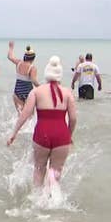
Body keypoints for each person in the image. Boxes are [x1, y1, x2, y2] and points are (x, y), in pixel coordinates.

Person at [7, 56, 77, 188]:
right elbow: (73, 119)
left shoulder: (36, 92)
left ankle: (37, 199)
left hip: (42, 135)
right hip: (61, 136)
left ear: (47, 74)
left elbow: (25, 114)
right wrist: (69, 135)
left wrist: (14, 133)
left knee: (39, 170)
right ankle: (53, 197)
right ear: (59, 75)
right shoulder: (68, 93)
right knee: (55, 173)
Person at [7, 41, 39, 112]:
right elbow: (34, 81)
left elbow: (9, 56)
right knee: (30, 116)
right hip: (28, 92)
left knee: (20, 114)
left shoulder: (18, 63)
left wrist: (11, 47)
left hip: (17, 92)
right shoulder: (32, 68)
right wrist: (42, 87)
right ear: (33, 58)